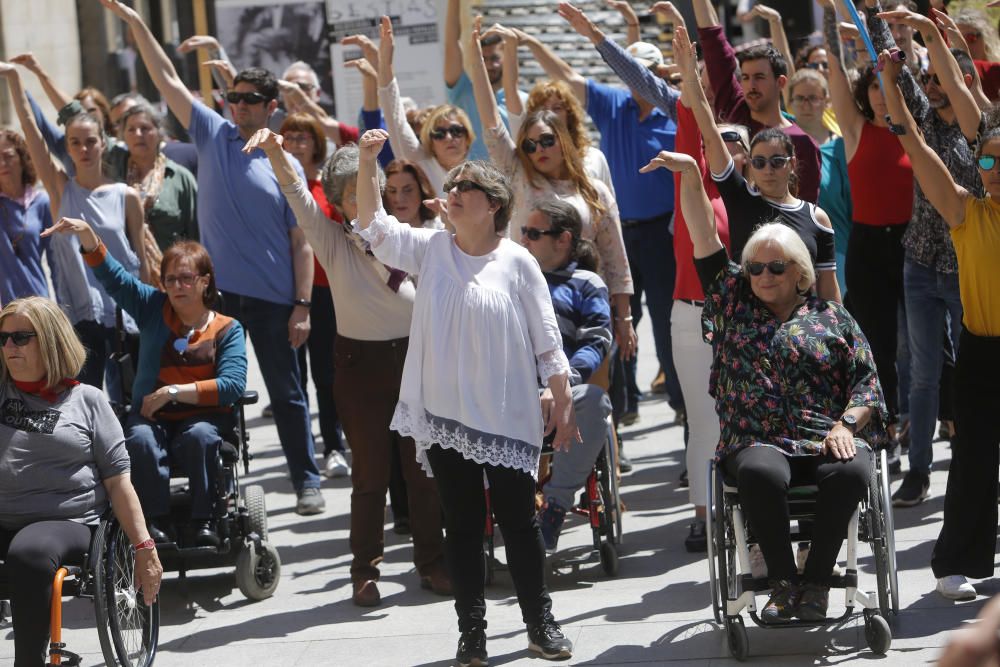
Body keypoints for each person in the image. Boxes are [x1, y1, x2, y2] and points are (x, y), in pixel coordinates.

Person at [356, 128, 576, 663]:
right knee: (461, 526)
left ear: (493, 204)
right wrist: (368, 161)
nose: (452, 191)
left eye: (466, 186)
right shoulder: (430, 248)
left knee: (519, 525)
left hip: (507, 414)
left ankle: (539, 623)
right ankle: (472, 634)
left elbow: (548, 344)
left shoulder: (519, 262)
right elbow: (372, 226)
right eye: (451, 185)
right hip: (445, 414)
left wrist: (563, 406)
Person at [98, 0, 325, 514]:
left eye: (249, 100)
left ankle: (306, 480)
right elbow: (167, 82)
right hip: (214, 302)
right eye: (234, 97)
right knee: (205, 392)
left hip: (273, 303)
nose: (238, 105)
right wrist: (136, 25)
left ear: (272, 106)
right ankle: (208, 483)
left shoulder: (286, 163)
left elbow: (301, 241)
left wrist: (303, 305)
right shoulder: (211, 132)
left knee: (288, 395)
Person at [644, 148, 887, 623]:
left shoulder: (831, 317)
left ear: (800, 273)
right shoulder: (732, 302)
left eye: (776, 268)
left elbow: (868, 386)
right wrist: (693, 176)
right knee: (758, 472)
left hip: (824, 434)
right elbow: (703, 234)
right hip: (758, 437)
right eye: (755, 267)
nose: (762, 276)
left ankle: (816, 581)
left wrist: (845, 425)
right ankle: (779, 583)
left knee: (852, 470)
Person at [243, 129, 449, 607]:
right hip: (359, 368)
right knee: (370, 476)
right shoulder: (331, 239)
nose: (365, 198)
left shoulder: (410, 236)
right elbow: (296, 192)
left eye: (370, 187)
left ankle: (433, 562)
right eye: (354, 191)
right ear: (338, 202)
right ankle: (365, 570)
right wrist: (276, 151)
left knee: (422, 472)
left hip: (415, 361)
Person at [43, 215, 246, 549]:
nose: (177, 286)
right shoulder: (154, 307)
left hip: (203, 417)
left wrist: (172, 392)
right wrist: (90, 237)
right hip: (152, 418)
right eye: (170, 280)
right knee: (138, 440)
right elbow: (116, 279)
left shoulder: (226, 328)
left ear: (205, 282)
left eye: (186, 278)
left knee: (201, 436)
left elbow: (233, 385)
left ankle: (204, 519)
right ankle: (155, 522)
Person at [879, 49, 1000, 603]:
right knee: (973, 456)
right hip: (981, 351)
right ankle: (955, 563)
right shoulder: (964, 212)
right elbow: (917, 148)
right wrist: (891, 84)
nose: (993, 173)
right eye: (988, 162)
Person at [536, 3, 686, 421]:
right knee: (620, 319)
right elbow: (567, 77)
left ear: (659, 75)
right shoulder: (613, 105)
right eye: (631, 70)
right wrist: (531, 44)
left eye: (645, 71)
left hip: (661, 233)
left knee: (663, 321)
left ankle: (678, 401)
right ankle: (627, 407)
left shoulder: (674, 115)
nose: (635, 78)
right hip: (620, 232)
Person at [0, 296, 162, 667]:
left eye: (21, 337)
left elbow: (120, 483)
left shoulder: (87, 401)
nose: (9, 346)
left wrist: (144, 547)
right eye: (3, 338)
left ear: (51, 341)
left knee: (29, 553)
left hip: (66, 520)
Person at [865, 7, 985, 510]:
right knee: (923, 375)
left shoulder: (983, 138)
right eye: (928, 79)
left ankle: (972, 462)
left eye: (940, 79)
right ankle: (918, 472)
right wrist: (872, 14)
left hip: (967, 270)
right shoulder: (921, 114)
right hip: (918, 265)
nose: (931, 86)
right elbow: (887, 62)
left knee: (972, 370)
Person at [466, 19, 635, 357]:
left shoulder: (594, 189)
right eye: (530, 145)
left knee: (592, 400)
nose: (538, 150)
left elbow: (616, 259)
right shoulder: (517, 175)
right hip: (529, 302)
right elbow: (490, 121)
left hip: (588, 306)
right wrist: (474, 57)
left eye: (546, 141)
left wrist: (625, 317)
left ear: (563, 140)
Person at [0, 61, 148, 399]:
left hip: (126, 317)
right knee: (81, 402)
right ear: (67, 147)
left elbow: (142, 266)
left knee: (131, 403)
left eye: (90, 141)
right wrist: (13, 79)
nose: (84, 149)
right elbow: (31, 132)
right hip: (81, 319)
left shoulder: (126, 197)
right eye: (75, 143)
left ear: (103, 144)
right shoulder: (59, 190)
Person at [676, 23, 841, 303]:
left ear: (791, 164)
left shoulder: (817, 218)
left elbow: (828, 286)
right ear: (749, 165)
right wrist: (691, 80)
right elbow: (711, 135)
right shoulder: (742, 199)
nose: (767, 169)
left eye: (777, 161)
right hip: (750, 333)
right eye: (759, 161)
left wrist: (840, 332)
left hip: (800, 330)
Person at [521, 198, 614, 552]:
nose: (524, 239)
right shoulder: (510, 278)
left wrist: (560, 387)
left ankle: (555, 506)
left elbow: (597, 341)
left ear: (562, 239)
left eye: (533, 233)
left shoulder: (586, 283)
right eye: (523, 232)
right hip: (510, 393)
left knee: (594, 401)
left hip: (564, 392)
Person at [690, 0, 823, 204]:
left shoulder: (802, 143)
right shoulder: (735, 109)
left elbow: (808, 212)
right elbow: (713, 43)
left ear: (780, 82)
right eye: (745, 77)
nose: (750, 85)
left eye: (759, 77)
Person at [278, 112, 349, 478]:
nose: (295, 144)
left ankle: (334, 446)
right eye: (288, 137)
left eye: (303, 137)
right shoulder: (273, 184)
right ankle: (302, 454)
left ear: (316, 144)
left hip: (325, 292)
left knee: (326, 374)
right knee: (294, 379)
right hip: (281, 292)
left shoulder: (327, 187)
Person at [375, 18, 474, 195]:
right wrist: (385, 62)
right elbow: (395, 117)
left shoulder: (482, 177)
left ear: (468, 138)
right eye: (439, 133)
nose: (449, 137)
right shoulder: (419, 162)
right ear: (430, 141)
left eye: (457, 131)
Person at [444, 0, 528, 160]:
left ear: (506, 57)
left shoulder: (523, 100)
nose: (490, 65)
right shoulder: (462, 91)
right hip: (471, 181)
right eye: (483, 59)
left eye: (495, 58)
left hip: (509, 182)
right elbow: (451, 44)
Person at [114, 103, 199, 253]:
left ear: (159, 133)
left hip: (170, 271)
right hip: (123, 271)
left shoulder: (180, 178)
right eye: (131, 129)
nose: (138, 134)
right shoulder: (113, 174)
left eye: (145, 128)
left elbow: (195, 236)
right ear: (123, 136)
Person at [0, 129, 52, 304]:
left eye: (8, 156)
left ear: (22, 158)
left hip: (38, 302)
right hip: (5, 309)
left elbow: (57, 263)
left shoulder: (42, 202)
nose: (2, 163)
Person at [384, 159, 444, 230]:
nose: (399, 199)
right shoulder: (375, 235)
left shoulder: (442, 230)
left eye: (408, 190)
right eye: (392, 191)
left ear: (422, 191)